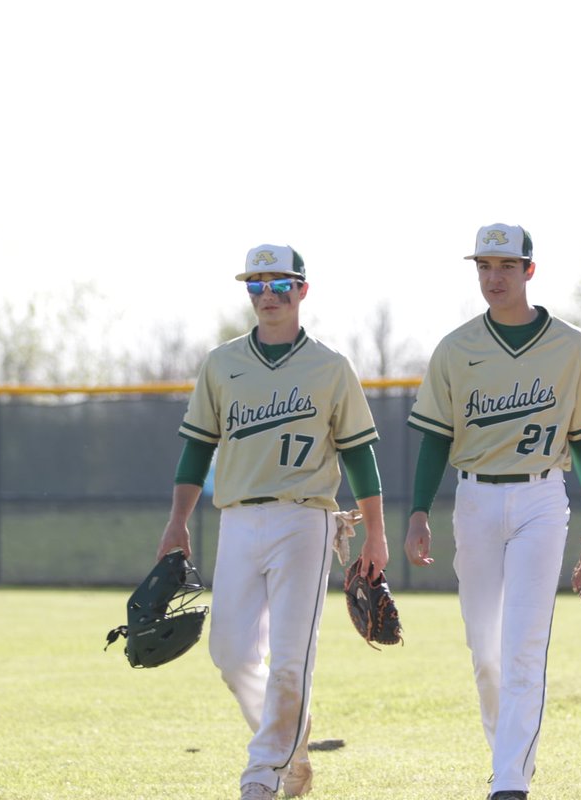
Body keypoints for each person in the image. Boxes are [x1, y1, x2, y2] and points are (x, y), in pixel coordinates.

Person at [157, 244, 389, 800]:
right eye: (256, 285)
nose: (267, 296)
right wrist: (176, 523)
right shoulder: (222, 363)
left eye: (279, 284)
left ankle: (263, 773)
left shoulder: (331, 367)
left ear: (302, 290)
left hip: (305, 519)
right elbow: (195, 449)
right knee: (230, 654)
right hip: (237, 519)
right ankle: (291, 740)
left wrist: (377, 533)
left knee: (292, 656)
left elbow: (359, 454)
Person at [403, 223, 581, 800]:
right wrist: (419, 512)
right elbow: (433, 438)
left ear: (529, 270)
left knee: (524, 641)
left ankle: (509, 781)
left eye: (505, 266)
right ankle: (508, 756)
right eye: (483, 266)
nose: (493, 277)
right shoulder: (456, 348)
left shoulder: (570, 345)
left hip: (541, 498)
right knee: (485, 649)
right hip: (473, 498)